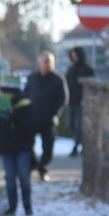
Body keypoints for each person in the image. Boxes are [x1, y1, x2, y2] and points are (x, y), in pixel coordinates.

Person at [24, 51, 69, 182]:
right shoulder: (32, 78)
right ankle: (33, 164)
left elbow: (63, 99)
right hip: (33, 117)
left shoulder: (58, 80)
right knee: (27, 143)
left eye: (50, 62)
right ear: (39, 63)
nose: (47, 64)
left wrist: (54, 112)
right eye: (45, 61)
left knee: (48, 147)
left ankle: (43, 168)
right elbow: (26, 94)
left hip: (49, 119)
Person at [0, 74, 36, 216]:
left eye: (7, 91)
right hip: (7, 147)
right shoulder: (1, 104)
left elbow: (30, 126)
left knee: (24, 177)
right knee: (10, 178)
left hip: (22, 147)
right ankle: (12, 206)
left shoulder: (25, 103)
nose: (5, 94)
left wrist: (12, 117)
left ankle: (27, 206)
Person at [66, 46, 95, 156]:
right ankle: (81, 142)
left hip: (81, 103)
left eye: (76, 56)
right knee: (71, 124)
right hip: (72, 101)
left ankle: (76, 147)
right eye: (72, 56)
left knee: (79, 126)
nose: (74, 58)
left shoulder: (87, 70)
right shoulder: (71, 69)